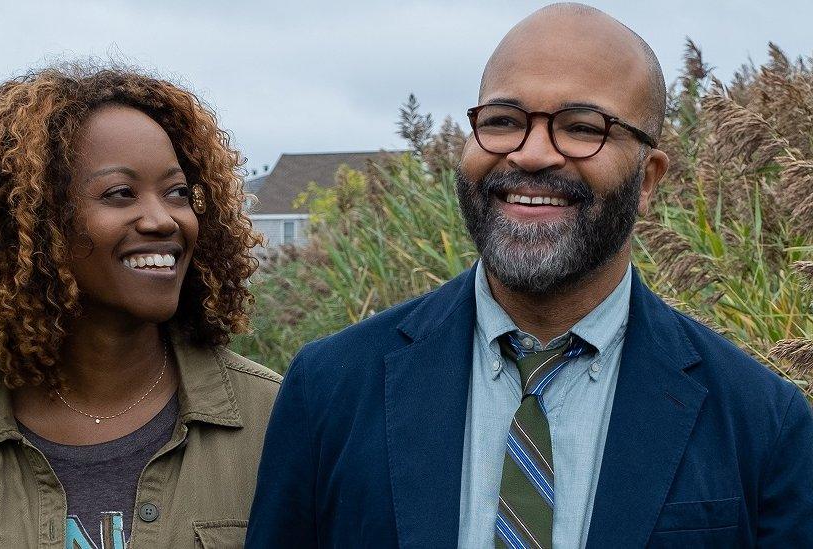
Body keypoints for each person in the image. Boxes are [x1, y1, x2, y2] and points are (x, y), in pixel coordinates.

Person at [247, 4, 813, 548]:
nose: (532, 154)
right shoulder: (329, 389)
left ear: (648, 179)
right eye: (503, 121)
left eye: (582, 126)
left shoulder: (763, 424)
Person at [0, 65, 280, 548]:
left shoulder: (272, 418)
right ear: (31, 223)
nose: (162, 218)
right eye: (120, 194)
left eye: (178, 193)